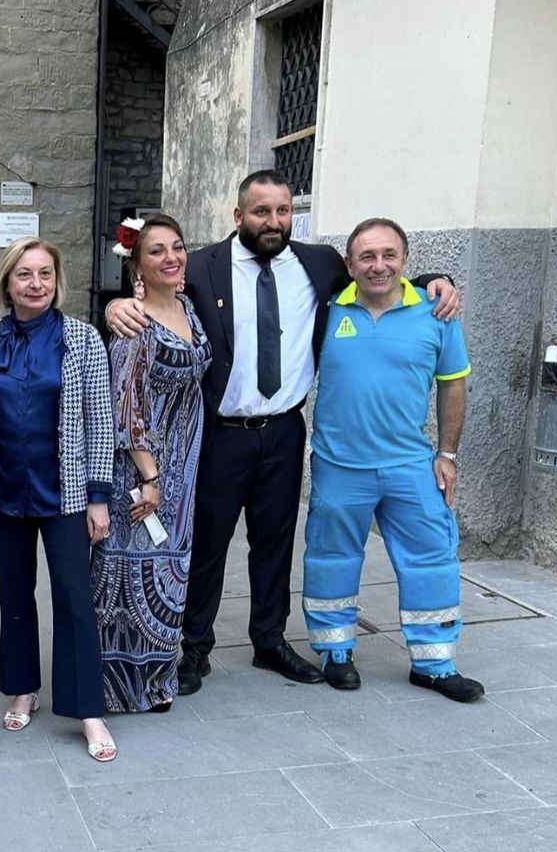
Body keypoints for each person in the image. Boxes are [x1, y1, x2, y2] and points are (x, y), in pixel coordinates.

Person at [107, 170, 461, 694]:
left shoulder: (318, 263)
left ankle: (268, 640)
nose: (273, 222)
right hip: (222, 432)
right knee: (209, 542)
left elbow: (379, 275)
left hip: (284, 430)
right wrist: (117, 304)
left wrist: (440, 278)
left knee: (274, 541)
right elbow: (154, 292)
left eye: (282, 211)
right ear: (238, 216)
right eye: (261, 212)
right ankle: (194, 648)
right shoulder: (201, 267)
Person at [302, 218, 483, 701]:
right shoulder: (326, 311)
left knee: (432, 561)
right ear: (349, 265)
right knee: (331, 561)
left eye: (389, 255)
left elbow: (453, 384)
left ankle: (433, 663)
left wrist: (447, 453)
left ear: (406, 261)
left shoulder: (435, 312)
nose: (378, 265)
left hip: (411, 465)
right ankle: (335, 651)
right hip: (340, 466)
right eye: (366, 256)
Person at [0, 237, 118, 762]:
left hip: (67, 494)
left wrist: (99, 496)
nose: (36, 284)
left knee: (75, 599)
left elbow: (101, 420)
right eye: (25, 275)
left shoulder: (82, 339)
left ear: (57, 280)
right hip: (7, 491)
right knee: (16, 597)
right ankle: (23, 687)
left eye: (45, 274)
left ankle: (86, 708)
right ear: (7, 283)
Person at [92, 214, 212, 712]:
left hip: (183, 466)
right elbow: (127, 406)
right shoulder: (135, 323)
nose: (171, 257)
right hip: (143, 470)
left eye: (177, 247)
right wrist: (152, 476)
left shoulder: (188, 307)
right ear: (137, 264)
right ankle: (116, 688)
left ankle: (157, 682)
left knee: (170, 568)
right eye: (157, 250)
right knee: (130, 574)